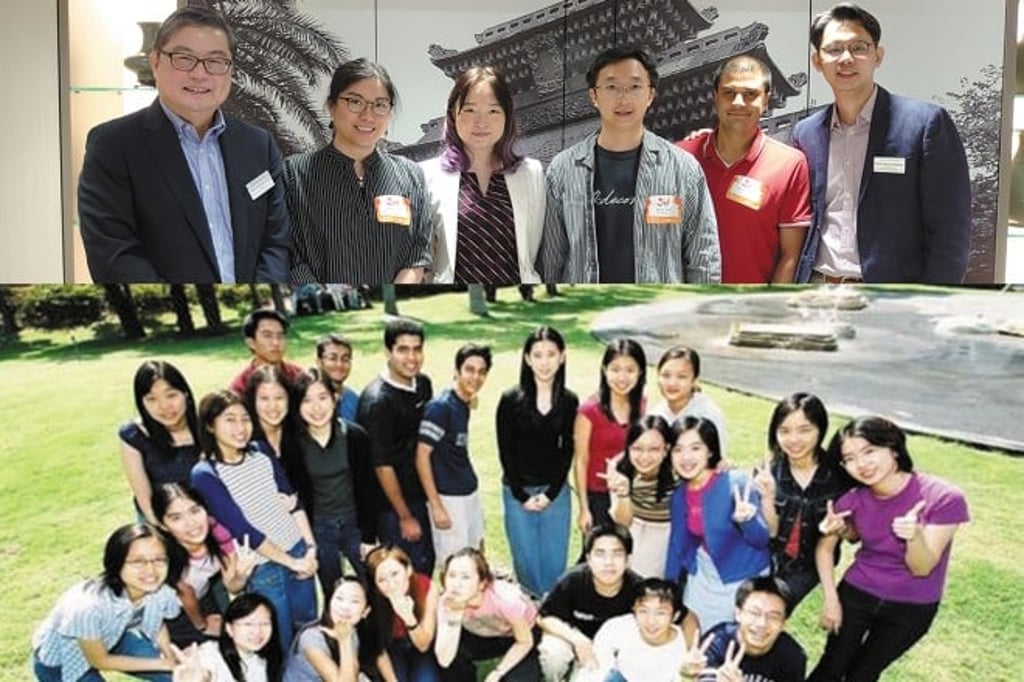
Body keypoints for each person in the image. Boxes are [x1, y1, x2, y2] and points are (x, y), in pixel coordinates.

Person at [78, 6, 289, 283]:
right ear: (155, 62)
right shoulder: (112, 145)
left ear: (230, 70)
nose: (200, 74)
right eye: (184, 58)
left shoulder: (257, 144)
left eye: (215, 61)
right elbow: (113, 254)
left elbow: (276, 243)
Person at [793, 2, 972, 284]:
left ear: (878, 55)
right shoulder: (806, 133)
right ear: (817, 61)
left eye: (859, 47)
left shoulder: (925, 124)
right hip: (817, 289)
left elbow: (951, 232)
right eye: (834, 49)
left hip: (890, 296)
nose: (846, 58)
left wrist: (932, 302)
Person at [538, 46, 720, 283]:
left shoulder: (683, 169)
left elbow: (704, 258)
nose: (623, 98)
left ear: (650, 95)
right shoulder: (562, 169)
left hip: (656, 313)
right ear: (594, 96)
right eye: (612, 87)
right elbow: (551, 259)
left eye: (634, 87)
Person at [809, 416, 969, 681]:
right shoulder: (852, 499)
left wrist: (914, 535)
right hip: (856, 594)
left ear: (893, 447)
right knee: (831, 667)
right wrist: (830, 598)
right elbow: (828, 548)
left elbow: (922, 567)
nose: (861, 464)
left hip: (912, 606)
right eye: (849, 458)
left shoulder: (944, 498)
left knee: (864, 674)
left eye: (869, 451)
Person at [190, 390, 317, 655]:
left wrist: (310, 548)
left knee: (308, 630)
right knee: (276, 640)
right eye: (230, 420)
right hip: (265, 567)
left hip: (298, 550)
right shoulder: (205, 474)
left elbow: (293, 501)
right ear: (211, 425)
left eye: (245, 419)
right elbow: (243, 530)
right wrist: (293, 562)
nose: (241, 428)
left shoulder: (261, 451)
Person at [285, 58, 432, 283]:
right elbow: (290, 255)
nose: (367, 115)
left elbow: (417, 257)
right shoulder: (294, 174)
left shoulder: (411, 176)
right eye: (355, 102)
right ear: (331, 106)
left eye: (380, 104)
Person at [676, 55, 811, 284]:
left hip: (751, 308)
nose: (738, 102)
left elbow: (790, 255)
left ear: (766, 100)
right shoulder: (680, 157)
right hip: (686, 306)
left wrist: (768, 310)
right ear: (715, 97)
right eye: (729, 93)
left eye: (750, 94)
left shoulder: (790, 164)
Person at [420, 65, 544, 284]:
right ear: (452, 114)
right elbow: (424, 258)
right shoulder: (426, 175)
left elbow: (532, 251)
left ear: (507, 116)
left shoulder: (531, 173)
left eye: (493, 111)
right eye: (469, 110)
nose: (481, 122)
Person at [32, 524, 182, 681]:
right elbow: (100, 661)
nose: (151, 570)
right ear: (116, 563)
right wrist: (163, 664)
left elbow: (158, 623)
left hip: (114, 637)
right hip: (62, 660)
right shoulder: (87, 607)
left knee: (175, 676)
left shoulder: (160, 590)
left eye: (159, 559)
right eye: (138, 561)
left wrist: (169, 656)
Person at [665, 417, 770, 631]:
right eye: (678, 449)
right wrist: (668, 589)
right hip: (703, 573)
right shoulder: (679, 495)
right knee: (693, 632)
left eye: (695, 448)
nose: (686, 457)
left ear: (710, 451)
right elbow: (676, 545)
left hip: (742, 576)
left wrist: (748, 521)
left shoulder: (736, 484)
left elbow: (761, 541)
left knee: (729, 640)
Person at [496, 326, 578, 598]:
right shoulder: (510, 400)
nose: (545, 362)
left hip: (554, 492)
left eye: (551, 354)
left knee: (554, 562)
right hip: (517, 492)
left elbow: (567, 449)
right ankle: (530, 615)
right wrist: (521, 495)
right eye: (538, 355)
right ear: (528, 358)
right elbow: (505, 451)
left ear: (562, 357)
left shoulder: (568, 401)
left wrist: (551, 494)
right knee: (526, 562)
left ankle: (553, 612)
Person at [754, 393, 851, 608]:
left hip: (807, 567)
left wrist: (840, 528)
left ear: (820, 430)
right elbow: (770, 531)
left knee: (772, 610)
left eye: (804, 430)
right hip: (765, 558)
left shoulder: (839, 478)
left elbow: (853, 536)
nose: (794, 440)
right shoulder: (769, 471)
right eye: (785, 431)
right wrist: (768, 498)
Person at [286, 369, 376, 595]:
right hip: (320, 527)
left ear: (335, 399)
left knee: (373, 584)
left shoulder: (355, 436)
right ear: (297, 405)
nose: (316, 408)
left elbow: (368, 489)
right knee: (333, 590)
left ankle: (374, 630)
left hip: (354, 522)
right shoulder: (293, 445)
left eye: (322, 398)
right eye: (306, 400)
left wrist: (368, 536)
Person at [356, 319, 435, 575]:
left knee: (426, 565)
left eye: (417, 349)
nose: (411, 357)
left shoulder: (422, 384)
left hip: (421, 495)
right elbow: (382, 466)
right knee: (405, 574)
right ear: (388, 351)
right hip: (395, 507)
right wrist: (404, 516)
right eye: (403, 349)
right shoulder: (377, 402)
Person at [151, 483, 256, 645]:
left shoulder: (215, 531)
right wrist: (202, 626)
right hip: (175, 617)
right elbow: (187, 595)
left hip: (203, 597)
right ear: (163, 525)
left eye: (195, 510)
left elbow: (232, 586)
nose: (191, 523)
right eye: (176, 518)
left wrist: (241, 575)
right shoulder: (164, 557)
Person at [536, 524, 645, 681]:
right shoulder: (572, 580)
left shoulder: (638, 588)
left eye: (617, 554)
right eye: (600, 554)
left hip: (609, 648)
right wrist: (577, 640)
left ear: (628, 559)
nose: (609, 562)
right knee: (554, 655)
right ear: (588, 558)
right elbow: (545, 617)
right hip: (570, 636)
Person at [415, 344, 491, 566]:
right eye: (469, 369)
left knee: (477, 554)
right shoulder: (440, 408)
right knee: (455, 566)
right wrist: (436, 506)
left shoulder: (463, 401)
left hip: (469, 492)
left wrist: (470, 400)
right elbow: (421, 457)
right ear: (457, 370)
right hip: (449, 499)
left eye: (481, 371)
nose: (475, 377)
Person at [574, 339, 646, 539]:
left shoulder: (642, 405)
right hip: (598, 495)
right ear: (604, 370)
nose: (622, 377)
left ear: (640, 372)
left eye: (630, 370)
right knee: (600, 554)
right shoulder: (589, 411)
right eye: (615, 369)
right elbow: (581, 461)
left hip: (632, 492)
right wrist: (584, 508)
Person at [435, 548, 541, 682]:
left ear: (482, 583)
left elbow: (525, 641)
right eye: (451, 575)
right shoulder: (447, 601)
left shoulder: (505, 599)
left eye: (465, 577)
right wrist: (455, 616)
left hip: (522, 634)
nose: (456, 584)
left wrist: (497, 673)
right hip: (482, 634)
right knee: (453, 658)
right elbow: (444, 660)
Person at [120, 360, 201, 524]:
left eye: (171, 395)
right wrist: (165, 532)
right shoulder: (134, 436)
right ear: (141, 402)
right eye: (151, 399)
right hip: (160, 523)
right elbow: (146, 503)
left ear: (185, 394)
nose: (164, 406)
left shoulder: (207, 427)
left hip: (206, 519)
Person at [581, 578, 697, 682]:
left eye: (660, 613)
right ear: (634, 609)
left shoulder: (682, 648)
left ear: (675, 616)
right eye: (643, 611)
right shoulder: (619, 627)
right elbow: (595, 666)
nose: (651, 621)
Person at [694, 577, 807, 682]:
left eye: (773, 617)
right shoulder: (717, 642)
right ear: (738, 613)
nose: (762, 624)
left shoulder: (792, 657)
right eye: (754, 613)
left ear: (784, 624)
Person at [283, 576, 390, 681]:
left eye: (355, 601)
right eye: (339, 598)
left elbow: (354, 673)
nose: (345, 607)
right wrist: (344, 641)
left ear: (365, 611)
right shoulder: (311, 637)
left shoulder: (351, 630)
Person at [607, 415, 677, 577]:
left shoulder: (678, 471)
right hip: (632, 530)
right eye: (637, 448)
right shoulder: (619, 469)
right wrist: (624, 494)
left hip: (666, 535)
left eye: (654, 449)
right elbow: (623, 522)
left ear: (666, 450)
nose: (644, 457)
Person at [365, 545, 442, 682]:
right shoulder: (372, 600)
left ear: (408, 570)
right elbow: (378, 649)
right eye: (382, 580)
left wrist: (408, 617)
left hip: (421, 643)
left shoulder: (427, 587)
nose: (391, 584)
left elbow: (423, 645)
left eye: (395, 574)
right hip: (392, 646)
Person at [648, 347, 727, 459]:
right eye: (666, 375)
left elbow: (718, 460)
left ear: (695, 380)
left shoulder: (709, 415)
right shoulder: (655, 414)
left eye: (681, 377)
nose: (672, 383)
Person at [190, 593, 283, 682]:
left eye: (265, 624)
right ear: (229, 628)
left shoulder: (265, 661)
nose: (257, 631)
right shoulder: (209, 654)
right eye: (248, 624)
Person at [229, 309, 304, 395]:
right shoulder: (240, 388)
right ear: (251, 343)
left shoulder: (298, 375)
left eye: (280, 336)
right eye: (267, 335)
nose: (276, 342)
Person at [243, 365, 300, 460]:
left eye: (279, 398)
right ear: (253, 400)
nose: (273, 406)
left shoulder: (298, 430)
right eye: (264, 399)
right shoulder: (244, 438)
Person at [316, 334, 360, 422]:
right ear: (319, 362)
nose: (339, 364)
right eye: (332, 358)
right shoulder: (307, 401)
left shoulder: (354, 400)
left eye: (345, 359)